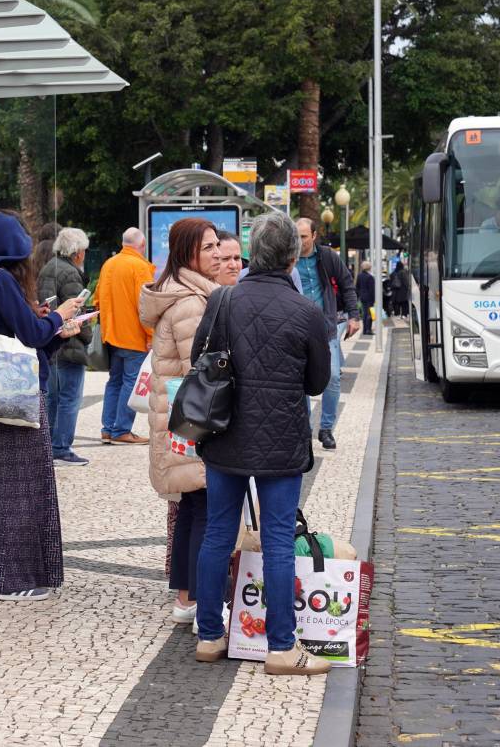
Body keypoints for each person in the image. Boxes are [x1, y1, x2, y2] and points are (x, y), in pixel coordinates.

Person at [191, 213, 332, 676]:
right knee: (276, 541)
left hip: (225, 434)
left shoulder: (223, 300)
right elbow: (318, 383)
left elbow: (199, 361)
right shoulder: (307, 312)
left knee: (216, 534)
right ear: (293, 256)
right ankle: (281, 648)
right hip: (280, 443)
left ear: (254, 252)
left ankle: (210, 636)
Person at [0, 211, 83, 602]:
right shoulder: (2, 281)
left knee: (3, 484)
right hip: (19, 399)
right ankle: (13, 579)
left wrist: (56, 330)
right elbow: (31, 334)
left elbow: (30, 339)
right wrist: (60, 317)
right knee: (23, 485)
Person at [138, 217, 223, 624]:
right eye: (208, 248)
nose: (217, 254)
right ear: (188, 252)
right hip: (195, 417)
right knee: (204, 503)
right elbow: (202, 372)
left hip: (181, 417)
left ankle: (186, 597)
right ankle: (199, 600)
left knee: (192, 504)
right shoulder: (191, 302)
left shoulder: (187, 293)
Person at [293, 218, 361, 451]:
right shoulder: (287, 258)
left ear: (313, 236)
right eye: (296, 236)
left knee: (331, 376)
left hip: (325, 328)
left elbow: (347, 285)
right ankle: (305, 429)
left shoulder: (327, 257)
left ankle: (326, 428)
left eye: (303, 236)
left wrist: (354, 316)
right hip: (296, 328)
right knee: (299, 381)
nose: (299, 241)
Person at [39, 227, 93, 467]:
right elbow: (76, 311)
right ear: (78, 252)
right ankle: (61, 448)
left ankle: (48, 445)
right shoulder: (70, 274)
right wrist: (88, 335)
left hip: (50, 340)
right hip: (69, 342)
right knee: (70, 398)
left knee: (52, 398)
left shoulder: (47, 268)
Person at [95, 227, 154, 445]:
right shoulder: (140, 267)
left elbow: (97, 299)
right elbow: (146, 305)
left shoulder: (109, 264)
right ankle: (122, 430)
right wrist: (151, 334)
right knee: (131, 381)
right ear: (142, 245)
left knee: (115, 382)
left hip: (111, 334)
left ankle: (108, 429)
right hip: (133, 336)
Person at [356, 260, 376, 335]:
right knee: (369, 313)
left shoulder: (359, 276)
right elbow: (372, 290)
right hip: (369, 298)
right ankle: (368, 330)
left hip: (362, 297)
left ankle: (364, 330)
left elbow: (357, 287)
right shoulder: (370, 277)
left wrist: (359, 295)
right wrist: (374, 300)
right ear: (369, 267)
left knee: (365, 313)